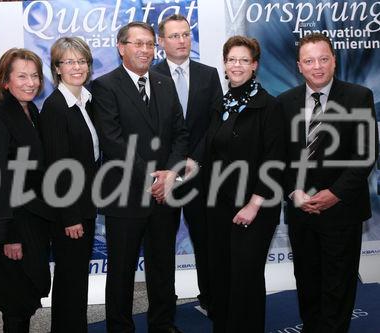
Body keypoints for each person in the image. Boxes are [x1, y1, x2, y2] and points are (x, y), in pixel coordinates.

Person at [92, 21, 189, 333]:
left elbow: (180, 135)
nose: (146, 50)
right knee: (121, 270)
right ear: (121, 47)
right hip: (127, 195)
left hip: (164, 195)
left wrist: (170, 175)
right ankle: (120, 327)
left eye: (149, 43)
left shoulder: (163, 83)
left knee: (163, 267)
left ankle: (163, 323)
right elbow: (113, 142)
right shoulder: (105, 86)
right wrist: (151, 180)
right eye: (138, 43)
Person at [278, 32, 378, 333]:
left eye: (323, 59)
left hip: (342, 210)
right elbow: (278, 157)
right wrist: (293, 192)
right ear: (299, 65)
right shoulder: (284, 102)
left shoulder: (359, 96)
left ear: (334, 60)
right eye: (309, 61)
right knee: (307, 282)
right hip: (300, 210)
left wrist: (334, 193)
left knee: (339, 285)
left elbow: (365, 154)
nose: (317, 66)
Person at [194, 36, 284, 332]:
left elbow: (275, 160)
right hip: (218, 204)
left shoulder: (268, 106)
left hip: (254, 207)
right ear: (224, 64)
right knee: (220, 273)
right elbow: (208, 148)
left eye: (244, 60)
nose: (237, 65)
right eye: (232, 59)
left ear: (254, 65)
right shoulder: (221, 104)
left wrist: (254, 204)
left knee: (245, 276)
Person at [0, 48, 53, 332]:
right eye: (22, 76)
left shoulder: (30, 109)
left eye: (34, 76)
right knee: (15, 303)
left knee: (27, 297)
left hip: (33, 221)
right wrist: (7, 235)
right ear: (5, 81)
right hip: (12, 226)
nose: (30, 83)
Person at [153, 13, 223, 310]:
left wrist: (192, 161)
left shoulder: (209, 74)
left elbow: (215, 122)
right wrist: (172, 168)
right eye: (174, 36)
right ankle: (165, 307)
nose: (182, 41)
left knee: (207, 244)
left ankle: (210, 300)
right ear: (161, 41)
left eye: (186, 34)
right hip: (164, 177)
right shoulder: (151, 76)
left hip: (201, 175)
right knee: (161, 249)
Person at [37, 37, 98, 333]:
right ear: (57, 69)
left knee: (75, 279)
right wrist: (70, 216)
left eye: (82, 61)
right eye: (69, 62)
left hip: (85, 205)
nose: (77, 67)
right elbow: (58, 169)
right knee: (70, 280)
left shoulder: (85, 102)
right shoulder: (55, 108)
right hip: (70, 213)